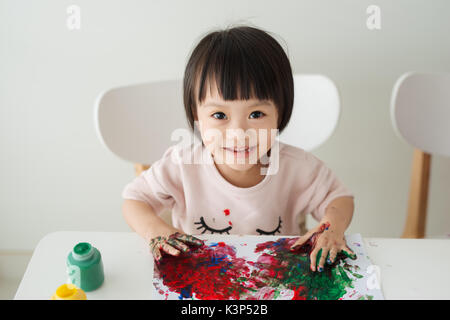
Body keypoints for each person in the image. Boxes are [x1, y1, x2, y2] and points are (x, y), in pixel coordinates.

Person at [121, 25, 356, 272]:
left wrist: (332, 226)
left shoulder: (296, 167)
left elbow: (339, 199)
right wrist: (156, 231)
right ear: (196, 116)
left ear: (280, 113)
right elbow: (134, 200)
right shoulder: (182, 165)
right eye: (219, 114)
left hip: (275, 277)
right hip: (201, 276)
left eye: (256, 114)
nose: (238, 133)